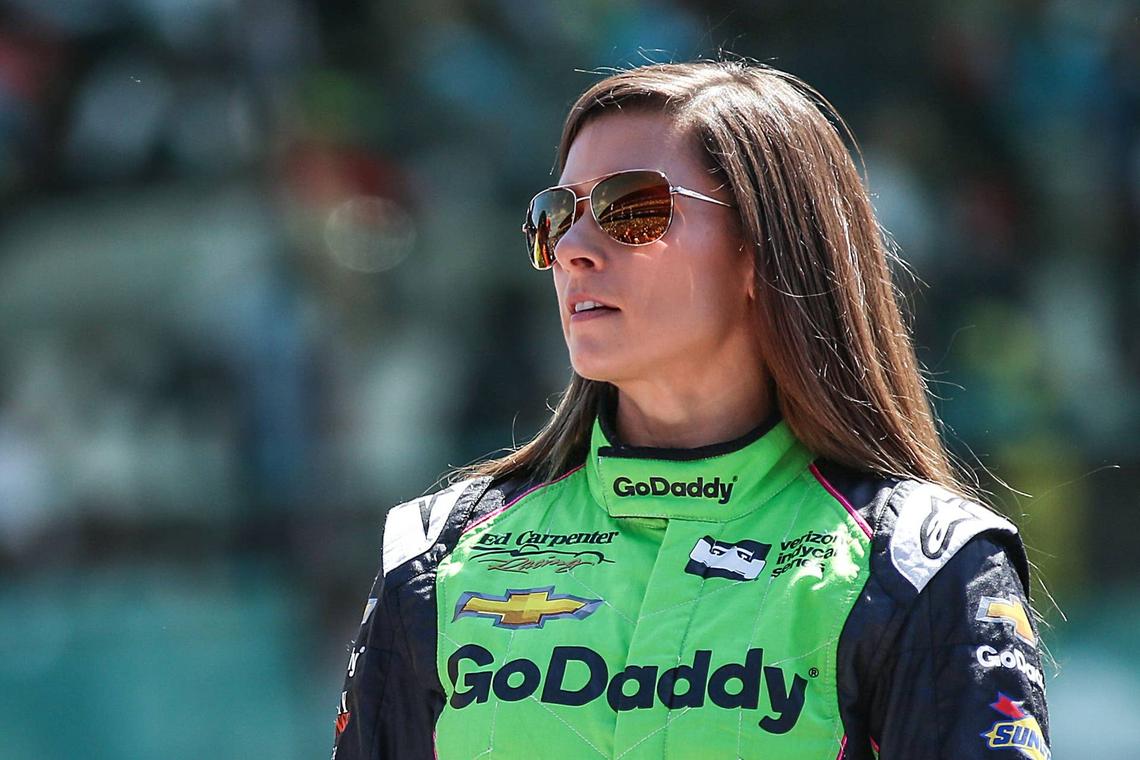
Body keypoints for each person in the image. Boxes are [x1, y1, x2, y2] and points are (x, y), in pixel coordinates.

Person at [329, 61, 1051, 760]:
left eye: (630, 208)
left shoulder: (923, 564)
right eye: (555, 216)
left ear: (763, 249)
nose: (572, 249)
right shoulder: (438, 554)